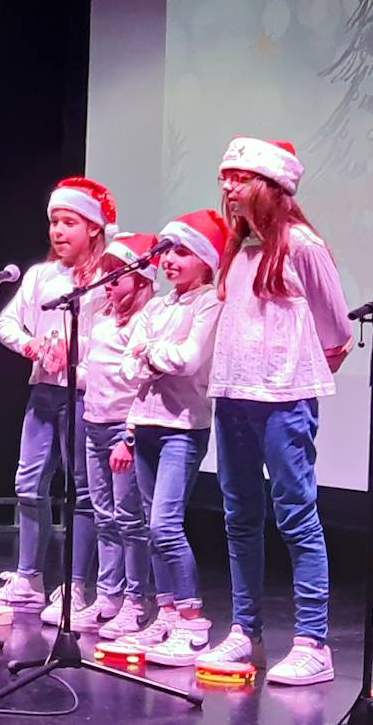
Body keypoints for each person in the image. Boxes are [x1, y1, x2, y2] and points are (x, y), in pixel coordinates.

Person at [196, 137, 352, 686]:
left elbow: (337, 330)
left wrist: (292, 377)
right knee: (240, 518)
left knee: (296, 517)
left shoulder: (302, 244)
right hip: (233, 398)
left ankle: (314, 641)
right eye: (225, 177)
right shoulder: (239, 249)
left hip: (283, 401)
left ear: (270, 185)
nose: (228, 187)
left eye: (238, 178)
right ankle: (247, 632)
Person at [0, 177, 115, 619]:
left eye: (69, 222)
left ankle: (76, 587)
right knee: (28, 482)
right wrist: (32, 347)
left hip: (84, 397)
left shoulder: (106, 277)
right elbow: (5, 324)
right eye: (54, 222)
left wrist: (77, 364)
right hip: (43, 392)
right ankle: (28, 578)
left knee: (82, 490)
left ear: (93, 227)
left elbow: (117, 338)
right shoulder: (41, 276)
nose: (58, 231)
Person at [120, 210, 226, 666]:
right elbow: (127, 366)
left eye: (181, 252)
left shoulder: (210, 304)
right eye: (165, 252)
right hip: (144, 423)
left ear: (205, 261)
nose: (170, 261)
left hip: (183, 427)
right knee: (150, 525)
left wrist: (151, 355)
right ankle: (164, 612)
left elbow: (189, 359)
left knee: (166, 524)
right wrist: (150, 358)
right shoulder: (156, 307)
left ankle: (192, 619)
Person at [77, 232, 158, 637]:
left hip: (123, 429)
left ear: (141, 279)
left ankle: (134, 600)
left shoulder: (145, 320)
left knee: (130, 518)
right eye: (106, 272)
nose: (108, 280)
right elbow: (94, 373)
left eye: (118, 273)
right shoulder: (102, 318)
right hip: (93, 423)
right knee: (103, 515)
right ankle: (107, 594)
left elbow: (141, 384)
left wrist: (128, 436)